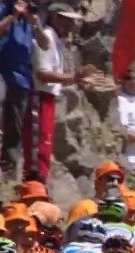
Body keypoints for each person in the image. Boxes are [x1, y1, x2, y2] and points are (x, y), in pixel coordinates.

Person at [25, 3, 94, 182]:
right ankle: (34, 182)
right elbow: (42, 73)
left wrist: (75, 78)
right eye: (67, 20)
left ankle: (40, 181)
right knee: (38, 145)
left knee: (45, 144)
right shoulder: (47, 35)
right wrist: (73, 78)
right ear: (56, 18)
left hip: (48, 97)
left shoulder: (56, 39)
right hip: (39, 96)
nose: (71, 25)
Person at [0, 0, 49, 172]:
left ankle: (8, 166)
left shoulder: (31, 17)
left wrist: (35, 24)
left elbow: (45, 44)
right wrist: (12, 17)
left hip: (22, 77)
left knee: (15, 123)